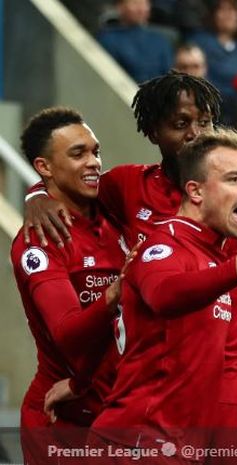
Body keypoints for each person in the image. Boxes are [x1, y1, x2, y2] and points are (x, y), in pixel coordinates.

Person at [23, 72, 237, 453]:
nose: (196, 133)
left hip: (232, 391)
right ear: (153, 132)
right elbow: (75, 183)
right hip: (153, 391)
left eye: (205, 121)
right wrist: (36, 195)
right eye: (181, 124)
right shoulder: (128, 187)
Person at [89, 129, 237, 457]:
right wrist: (235, 271)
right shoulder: (164, 244)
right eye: (234, 179)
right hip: (137, 444)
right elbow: (163, 294)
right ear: (195, 191)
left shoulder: (213, 257)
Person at [11, 108, 130, 463]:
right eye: (78, 154)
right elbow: (66, 333)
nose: (94, 162)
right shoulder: (40, 240)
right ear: (44, 167)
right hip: (63, 422)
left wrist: (35, 194)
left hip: (122, 412)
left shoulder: (117, 212)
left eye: (96, 151)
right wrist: (118, 292)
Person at [97, 0, 173, 83]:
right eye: (135, 3)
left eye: (144, 3)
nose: (141, 9)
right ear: (120, 7)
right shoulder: (108, 38)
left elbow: (167, 74)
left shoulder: (160, 40)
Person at [188, 0, 237, 97]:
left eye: (234, 10)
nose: (229, 15)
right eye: (222, 9)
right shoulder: (198, 42)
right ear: (213, 14)